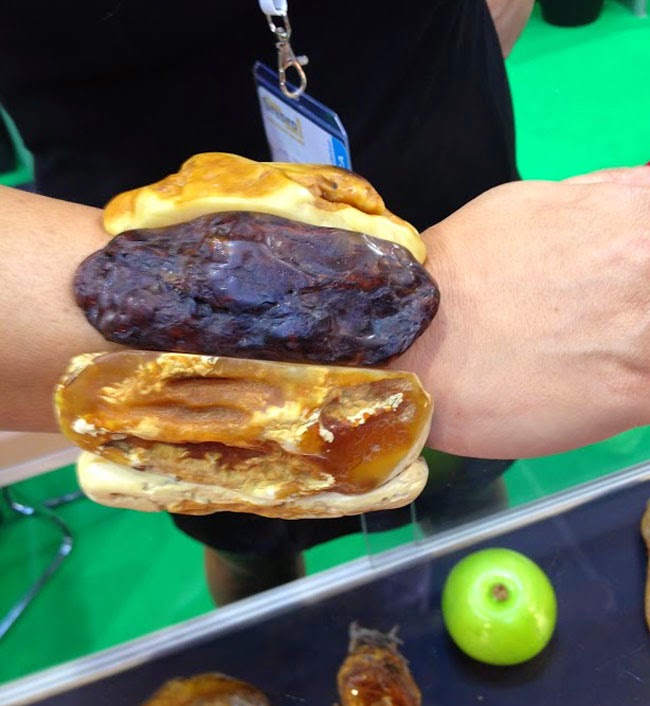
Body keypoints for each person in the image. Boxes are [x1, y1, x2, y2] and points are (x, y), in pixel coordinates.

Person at [2, 1, 650, 604]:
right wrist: (447, 316)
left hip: (434, 127)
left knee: (467, 494)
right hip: (129, 210)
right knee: (245, 532)